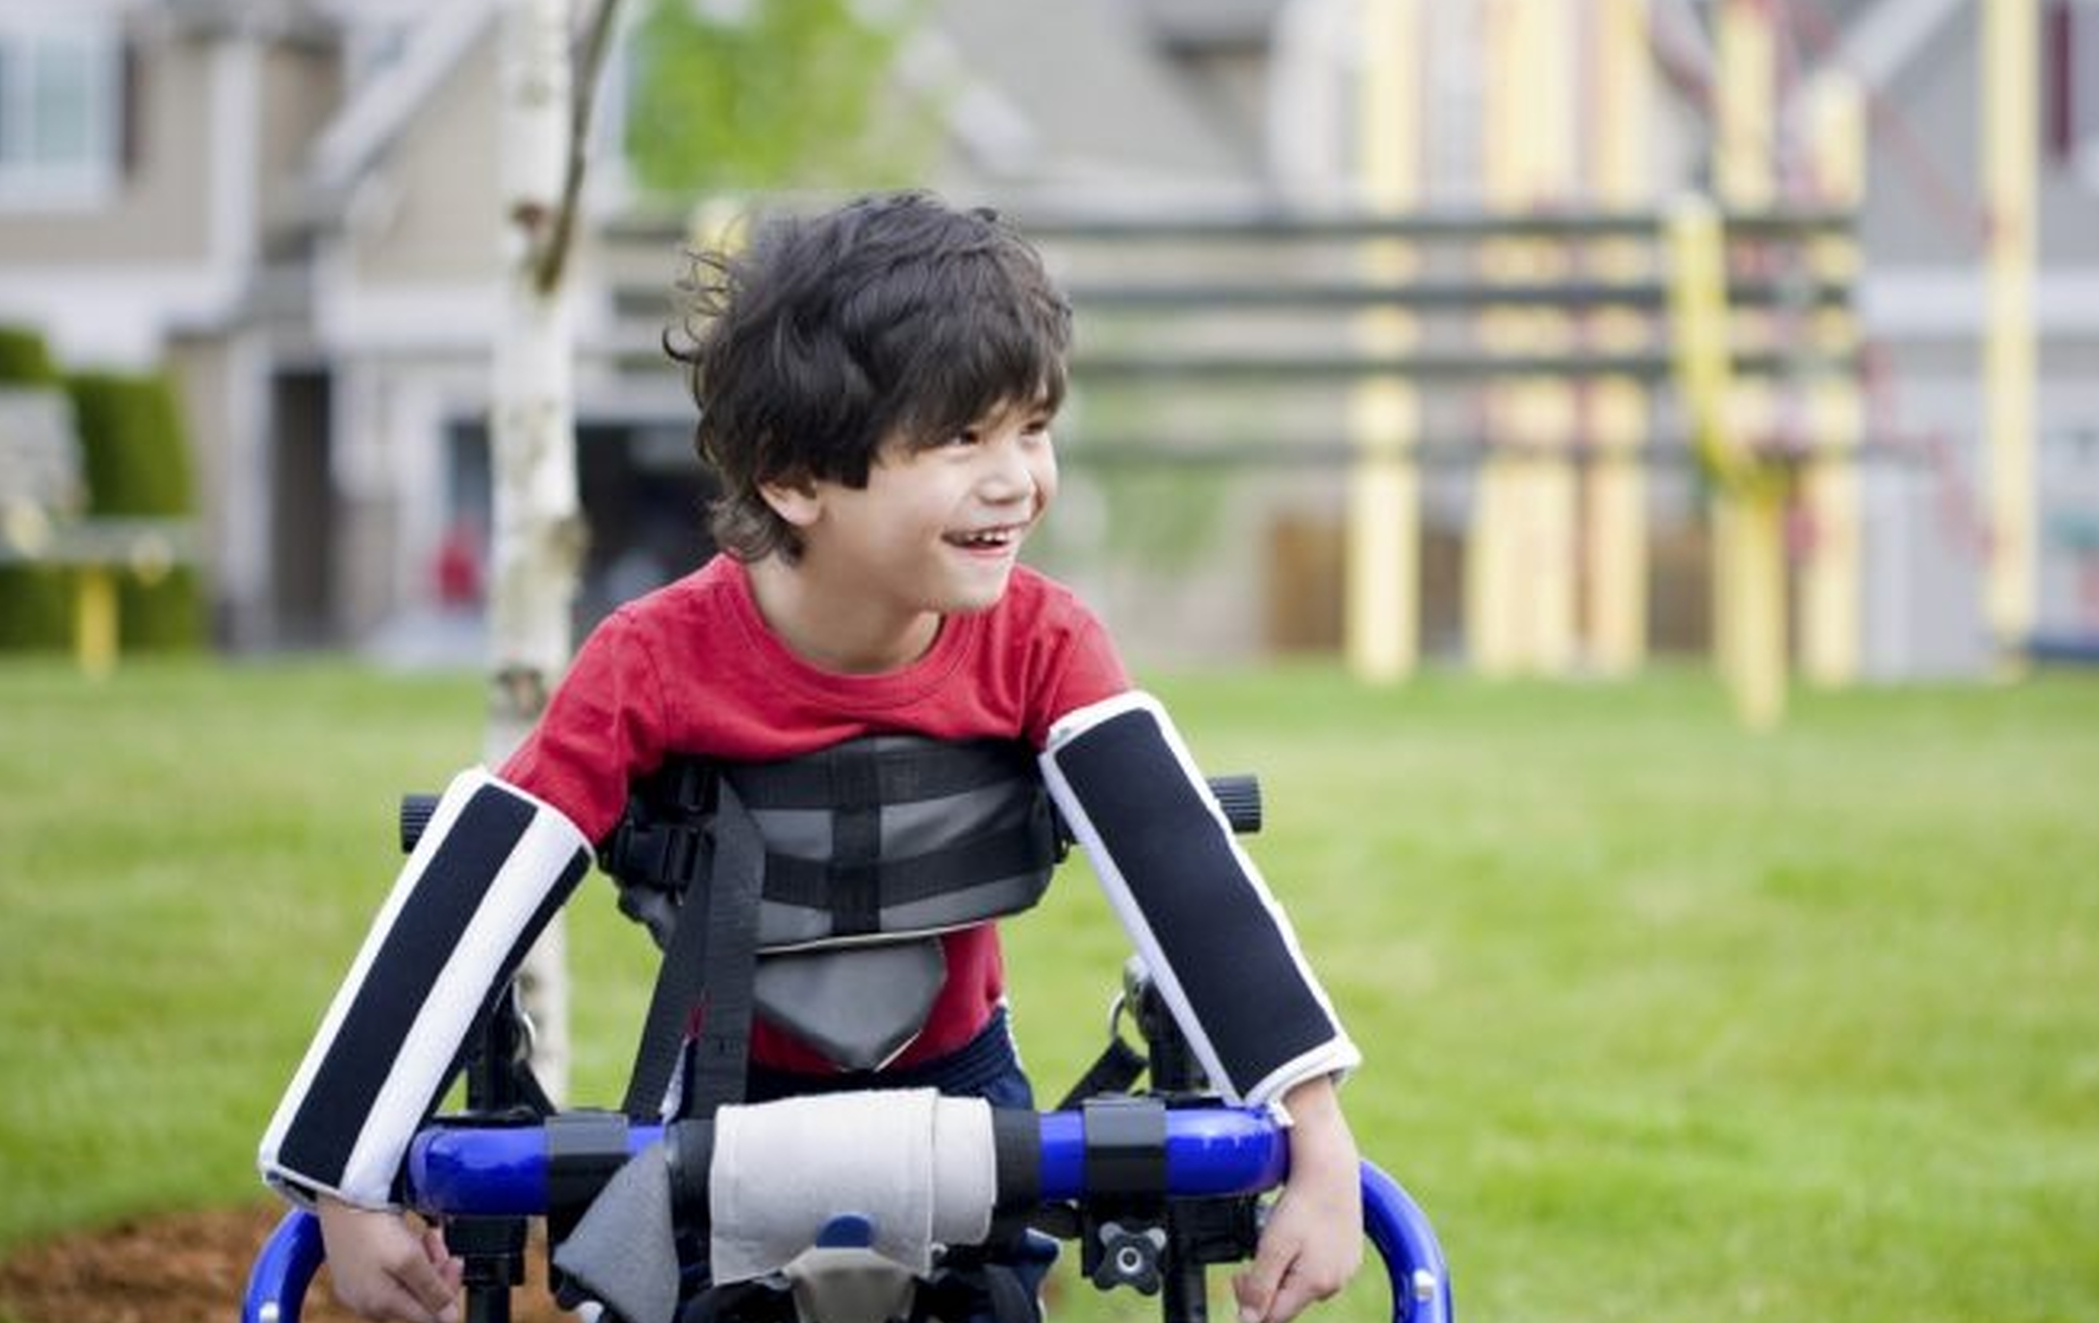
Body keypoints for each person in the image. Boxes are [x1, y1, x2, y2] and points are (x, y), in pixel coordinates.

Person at [258, 193, 1364, 1323]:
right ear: (793, 478)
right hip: (724, 1112)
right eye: (960, 438)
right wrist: (344, 1180)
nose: (1016, 478)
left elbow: (1184, 871)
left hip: (965, 1093)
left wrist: (1315, 1142)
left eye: (1031, 428)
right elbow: (480, 881)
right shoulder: (650, 659)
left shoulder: (1044, 642)